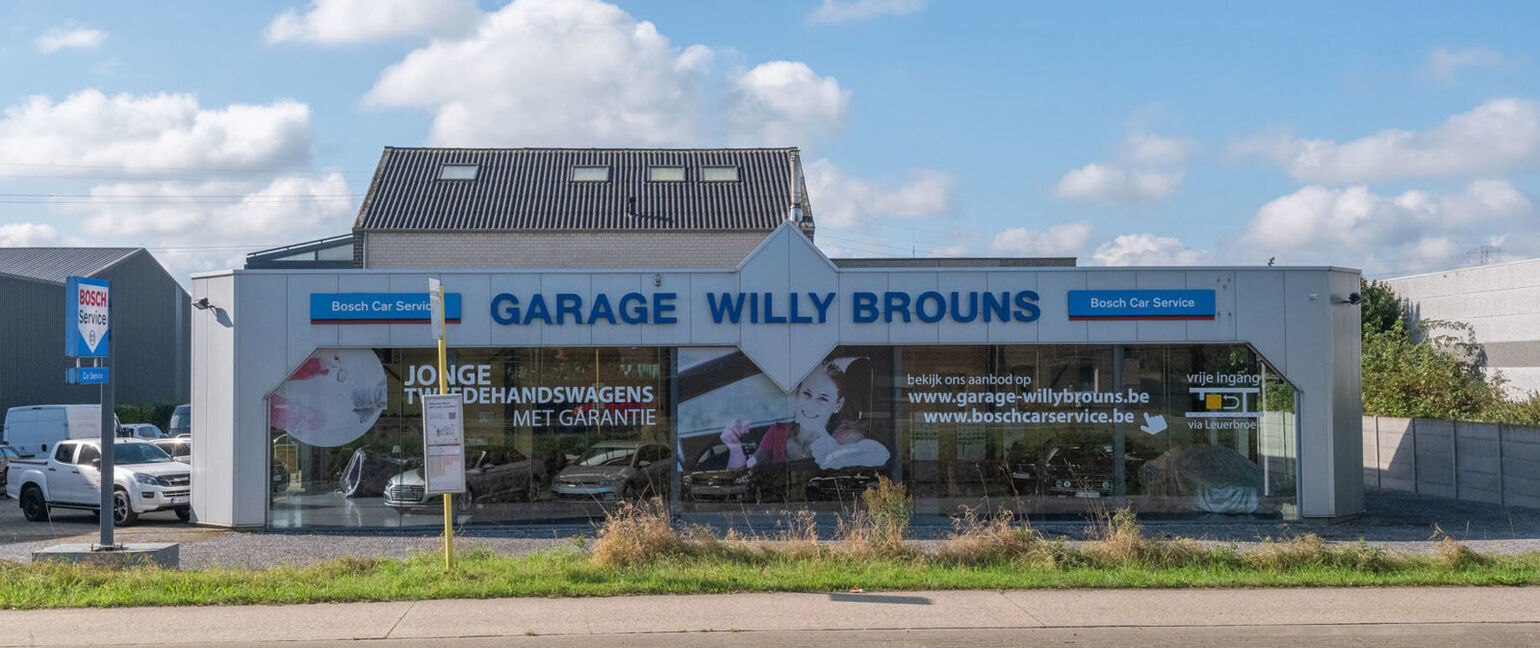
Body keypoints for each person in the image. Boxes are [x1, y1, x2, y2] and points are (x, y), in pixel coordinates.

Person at [719, 358, 889, 472]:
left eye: (823, 398)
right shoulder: (777, 433)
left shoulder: (843, 436)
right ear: (798, 395)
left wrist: (838, 454)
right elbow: (743, 476)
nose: (811, 405)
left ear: (838, 405)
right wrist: (735, 449)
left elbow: (879, 454)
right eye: (807, 394)